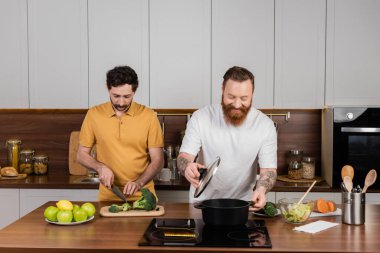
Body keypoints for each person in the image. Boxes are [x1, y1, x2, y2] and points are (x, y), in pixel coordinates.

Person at [177, 66, 277, 211]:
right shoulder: (201, 117)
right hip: (202, 204)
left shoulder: (265, 125)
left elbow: (268, 170)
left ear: (252, 94)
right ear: (222, 89)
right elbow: (184, 156)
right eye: (231, 97)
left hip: (243, 205)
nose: (237, 104)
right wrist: (187, 167)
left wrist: (261, 190)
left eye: (244, 98)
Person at [77, 66, 164, 202]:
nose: (121, 102)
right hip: (109, 195)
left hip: (144, 196)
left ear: (134, 91)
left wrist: (139, 183)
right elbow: (81, 155)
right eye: (116, 96)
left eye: (127, 96)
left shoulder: (149, 116)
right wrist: (100, 167)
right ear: (108, 88)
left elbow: (158, 161)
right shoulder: (94, 114)